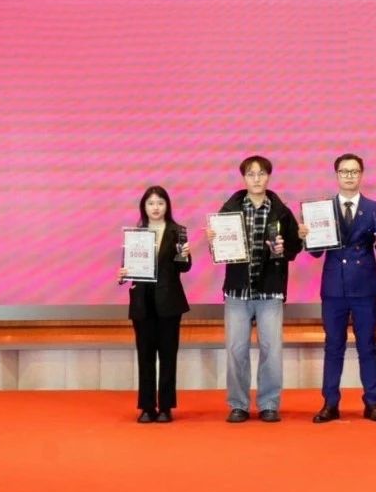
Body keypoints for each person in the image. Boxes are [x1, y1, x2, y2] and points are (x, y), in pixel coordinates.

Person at [299, 153, 376, 423]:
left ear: (361, 174)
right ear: (337, 175)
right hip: (333, 288)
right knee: (333, 346)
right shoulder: (322, 209)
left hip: (365, 287)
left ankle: (372, 403)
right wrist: (307, 238)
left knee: (368, 346)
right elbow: (316, 253)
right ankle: (330, 403)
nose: (349, 176)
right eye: (344, 171)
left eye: (354, 171)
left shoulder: (374, 207)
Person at [207, 155, 301, 423]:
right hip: (237, 292)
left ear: (268, 176)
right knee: (236, 350)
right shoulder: (229, 210)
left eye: (261, 174)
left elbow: (294, 247)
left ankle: (269, 403)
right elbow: (221, 251)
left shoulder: (281, 211)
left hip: (270, 291)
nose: (256, 179)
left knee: (272, 350)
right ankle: (238, 404)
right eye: (251, 174)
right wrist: (213, 241)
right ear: (244, 178)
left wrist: (284, 248)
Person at [118, 186, 191, 424]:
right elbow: (129, 267)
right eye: (151, 203)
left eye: (160, 202)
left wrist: (185, 254)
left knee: (168, 357)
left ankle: (166, 407)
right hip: (142, 303)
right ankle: (147, 407)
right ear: (144, 207)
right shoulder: (136, 234)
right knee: (145, 356)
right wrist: (123, 274)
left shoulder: (178, 232)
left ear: (167, 205)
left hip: (169, 303)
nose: (156, 207)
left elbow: (184, 267)